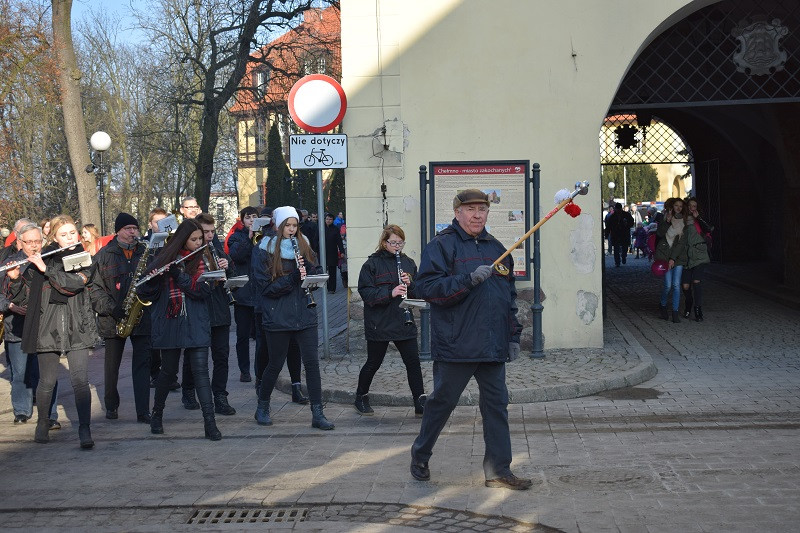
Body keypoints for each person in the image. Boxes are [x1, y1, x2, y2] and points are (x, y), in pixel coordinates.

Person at [409, 189, 531, 490]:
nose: (478, 215)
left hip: (492, 345)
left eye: (483, 209)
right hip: (456, 345)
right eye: (471, 209)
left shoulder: (498, 248)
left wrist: (512, 335)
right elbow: (427, 288)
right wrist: (467, 280)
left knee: (497, 406)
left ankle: (499, 470)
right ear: (457, 213)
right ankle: (420, 454)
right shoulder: (441, 246)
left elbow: (508, 298)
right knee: (441, 403)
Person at [8, 215, 97, 448]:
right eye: (63, 235)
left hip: (78, 327)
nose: (69, 238)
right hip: (47, 327)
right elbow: (21, 298)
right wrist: (15, 279)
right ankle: (42, 422)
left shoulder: (85, 258)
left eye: (72, 233)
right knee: (46, 381)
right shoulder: (42, 259)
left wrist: (45, 269)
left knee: (80, 380)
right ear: (54, 238)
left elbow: (74, 284)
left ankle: (85, 429)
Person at [253, 206, 334, 430]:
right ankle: (262, 405)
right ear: (278, 226)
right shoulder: (265, 249)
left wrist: (313, 274)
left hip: (304, 313)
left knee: (312, 364)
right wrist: (293, 278)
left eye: (294, 225)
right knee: (275, 364)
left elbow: (315, 273)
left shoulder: (304, 244)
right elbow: (265, 288)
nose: (291, 229)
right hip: (277, 315)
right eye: (287, 225)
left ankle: (318, 413)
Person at [145, 218, 221, 441]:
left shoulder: (203, 259)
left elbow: (201, 291)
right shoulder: (165, 257)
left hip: (196, 321)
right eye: (194, 239)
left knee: (201, 373)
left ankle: (210, 423)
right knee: (167, 372)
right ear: (182, 239)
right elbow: (147, 291)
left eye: (200, 239)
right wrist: (158, 274)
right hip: (171, 321)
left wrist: (179, 275)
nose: (199, 243)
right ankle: (156, 415)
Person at [355, 224, 426, 417]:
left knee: (413, 363)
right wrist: (391, 291)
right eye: (393, 242)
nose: (397, 246)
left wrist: (410, 284)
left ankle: (420, 401)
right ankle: (361, 396)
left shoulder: (408, 263)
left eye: (400, 242)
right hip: (380, 321)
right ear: (384, 242)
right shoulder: (372, 264)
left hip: (403, 320)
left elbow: (417, 293)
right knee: (373, 362)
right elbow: (366, 293)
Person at [89, 213, 153, 423]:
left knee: (142, 364)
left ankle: (143, 410)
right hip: (113, 317)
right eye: (128, 228)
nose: (133, 232)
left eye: (135, 228)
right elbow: (95, 289)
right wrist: (111, 308)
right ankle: (111, 405)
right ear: (118, 231)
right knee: (111, 366)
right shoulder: (104, 254)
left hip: (141, 314)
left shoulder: (146, 251)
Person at [1, 221, 59, 427]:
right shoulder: (9, 263)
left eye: (38, 241)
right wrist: (9, 306)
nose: (34, 246)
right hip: (17, 324)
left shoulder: (50, 260)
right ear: (20, 242)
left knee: (47, 373)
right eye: (29, 242)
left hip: (46, 324)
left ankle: (51, 415)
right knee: (20, 372)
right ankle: (22, 411)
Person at [179, 213, 236, 416]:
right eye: (205, 232)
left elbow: (233, 277)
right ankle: (188, 390)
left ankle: (220, 396)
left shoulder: (218, 251)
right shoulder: (189, 255)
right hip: (198, 311)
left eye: (212, 232)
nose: (210, 236)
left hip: (220, 310)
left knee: (221, 356)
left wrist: (227, 268)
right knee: (194, 355)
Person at [143, 207, 178, 390]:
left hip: (169, 294)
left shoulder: (173, 242)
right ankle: (155, 374)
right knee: (153, 339)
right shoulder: (145, 244)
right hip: (153, 297)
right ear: (150, 225)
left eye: (165, 222)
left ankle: (170, 374)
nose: (161, 225)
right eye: (157, 222)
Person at [227, 206, 259, 382]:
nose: (252, 220)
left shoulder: (265, 237)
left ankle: (260, 368)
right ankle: (244, 370)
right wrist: (249, 238)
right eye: (248, 218)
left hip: (260, 293)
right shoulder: (236, 237)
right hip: (243, 294)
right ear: (242, 220)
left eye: (255, 217)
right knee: (243, 335)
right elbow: (236, 256)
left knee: (262, 335)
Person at [655, 198, 688, 323]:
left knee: (676, 285)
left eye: (680, 206)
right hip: (665, 255)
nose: (678, 208)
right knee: (668, 285)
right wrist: (667, 221)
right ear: (672, 207)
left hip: (678, 257)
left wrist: (673, 258)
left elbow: (682, 243)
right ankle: (662, 305)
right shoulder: (665, 218)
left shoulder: (685, 221)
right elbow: (659, 234)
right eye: (676, 205)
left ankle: (675, 312)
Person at [681, 197, 713, 321]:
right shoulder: (681, 220)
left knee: (696, 282)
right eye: (689, 206)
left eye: (694, 206)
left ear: (697, 208)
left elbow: (709, 228)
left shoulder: (700, 220)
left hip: (699, 254)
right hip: (686, 256)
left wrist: (698, 218)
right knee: (685, 285)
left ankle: (698, 309)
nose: (691, 208)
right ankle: (689, 303)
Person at [604, 202, 634, 267]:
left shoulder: (626, 215)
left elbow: (631, 223)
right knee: (616, 249)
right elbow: (609, 226)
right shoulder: (613, 216)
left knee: (624, 247)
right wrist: (606, 234)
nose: (618, 210)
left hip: (623, 233)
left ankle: (623, 256)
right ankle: (617, 262)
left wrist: (627, 224)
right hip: (616, 234)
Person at [323, 212, 345, 293]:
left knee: (332, 271)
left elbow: (339, 241)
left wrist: (342, 251)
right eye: (327, 219)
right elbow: (316, 239)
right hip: (323, 252)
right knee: (323, 271)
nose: (328, 221)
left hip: (332, 252)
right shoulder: (321, 228)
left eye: (330, 219)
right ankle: (325, 287)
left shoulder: (335, 229)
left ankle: (332, 288)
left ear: (333, 220)